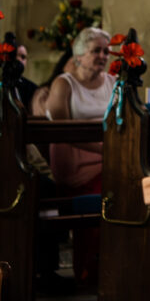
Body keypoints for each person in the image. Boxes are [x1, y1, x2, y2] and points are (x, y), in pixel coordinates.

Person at [44, 26, 114, 192]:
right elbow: (61, 131)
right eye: (96, 51)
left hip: (109, 152)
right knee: (119, 183)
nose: (103, 56)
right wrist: (106, 149)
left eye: (106, 52)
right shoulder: (63, 84)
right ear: (79, 56)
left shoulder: (113, 82)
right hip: (75, 158)